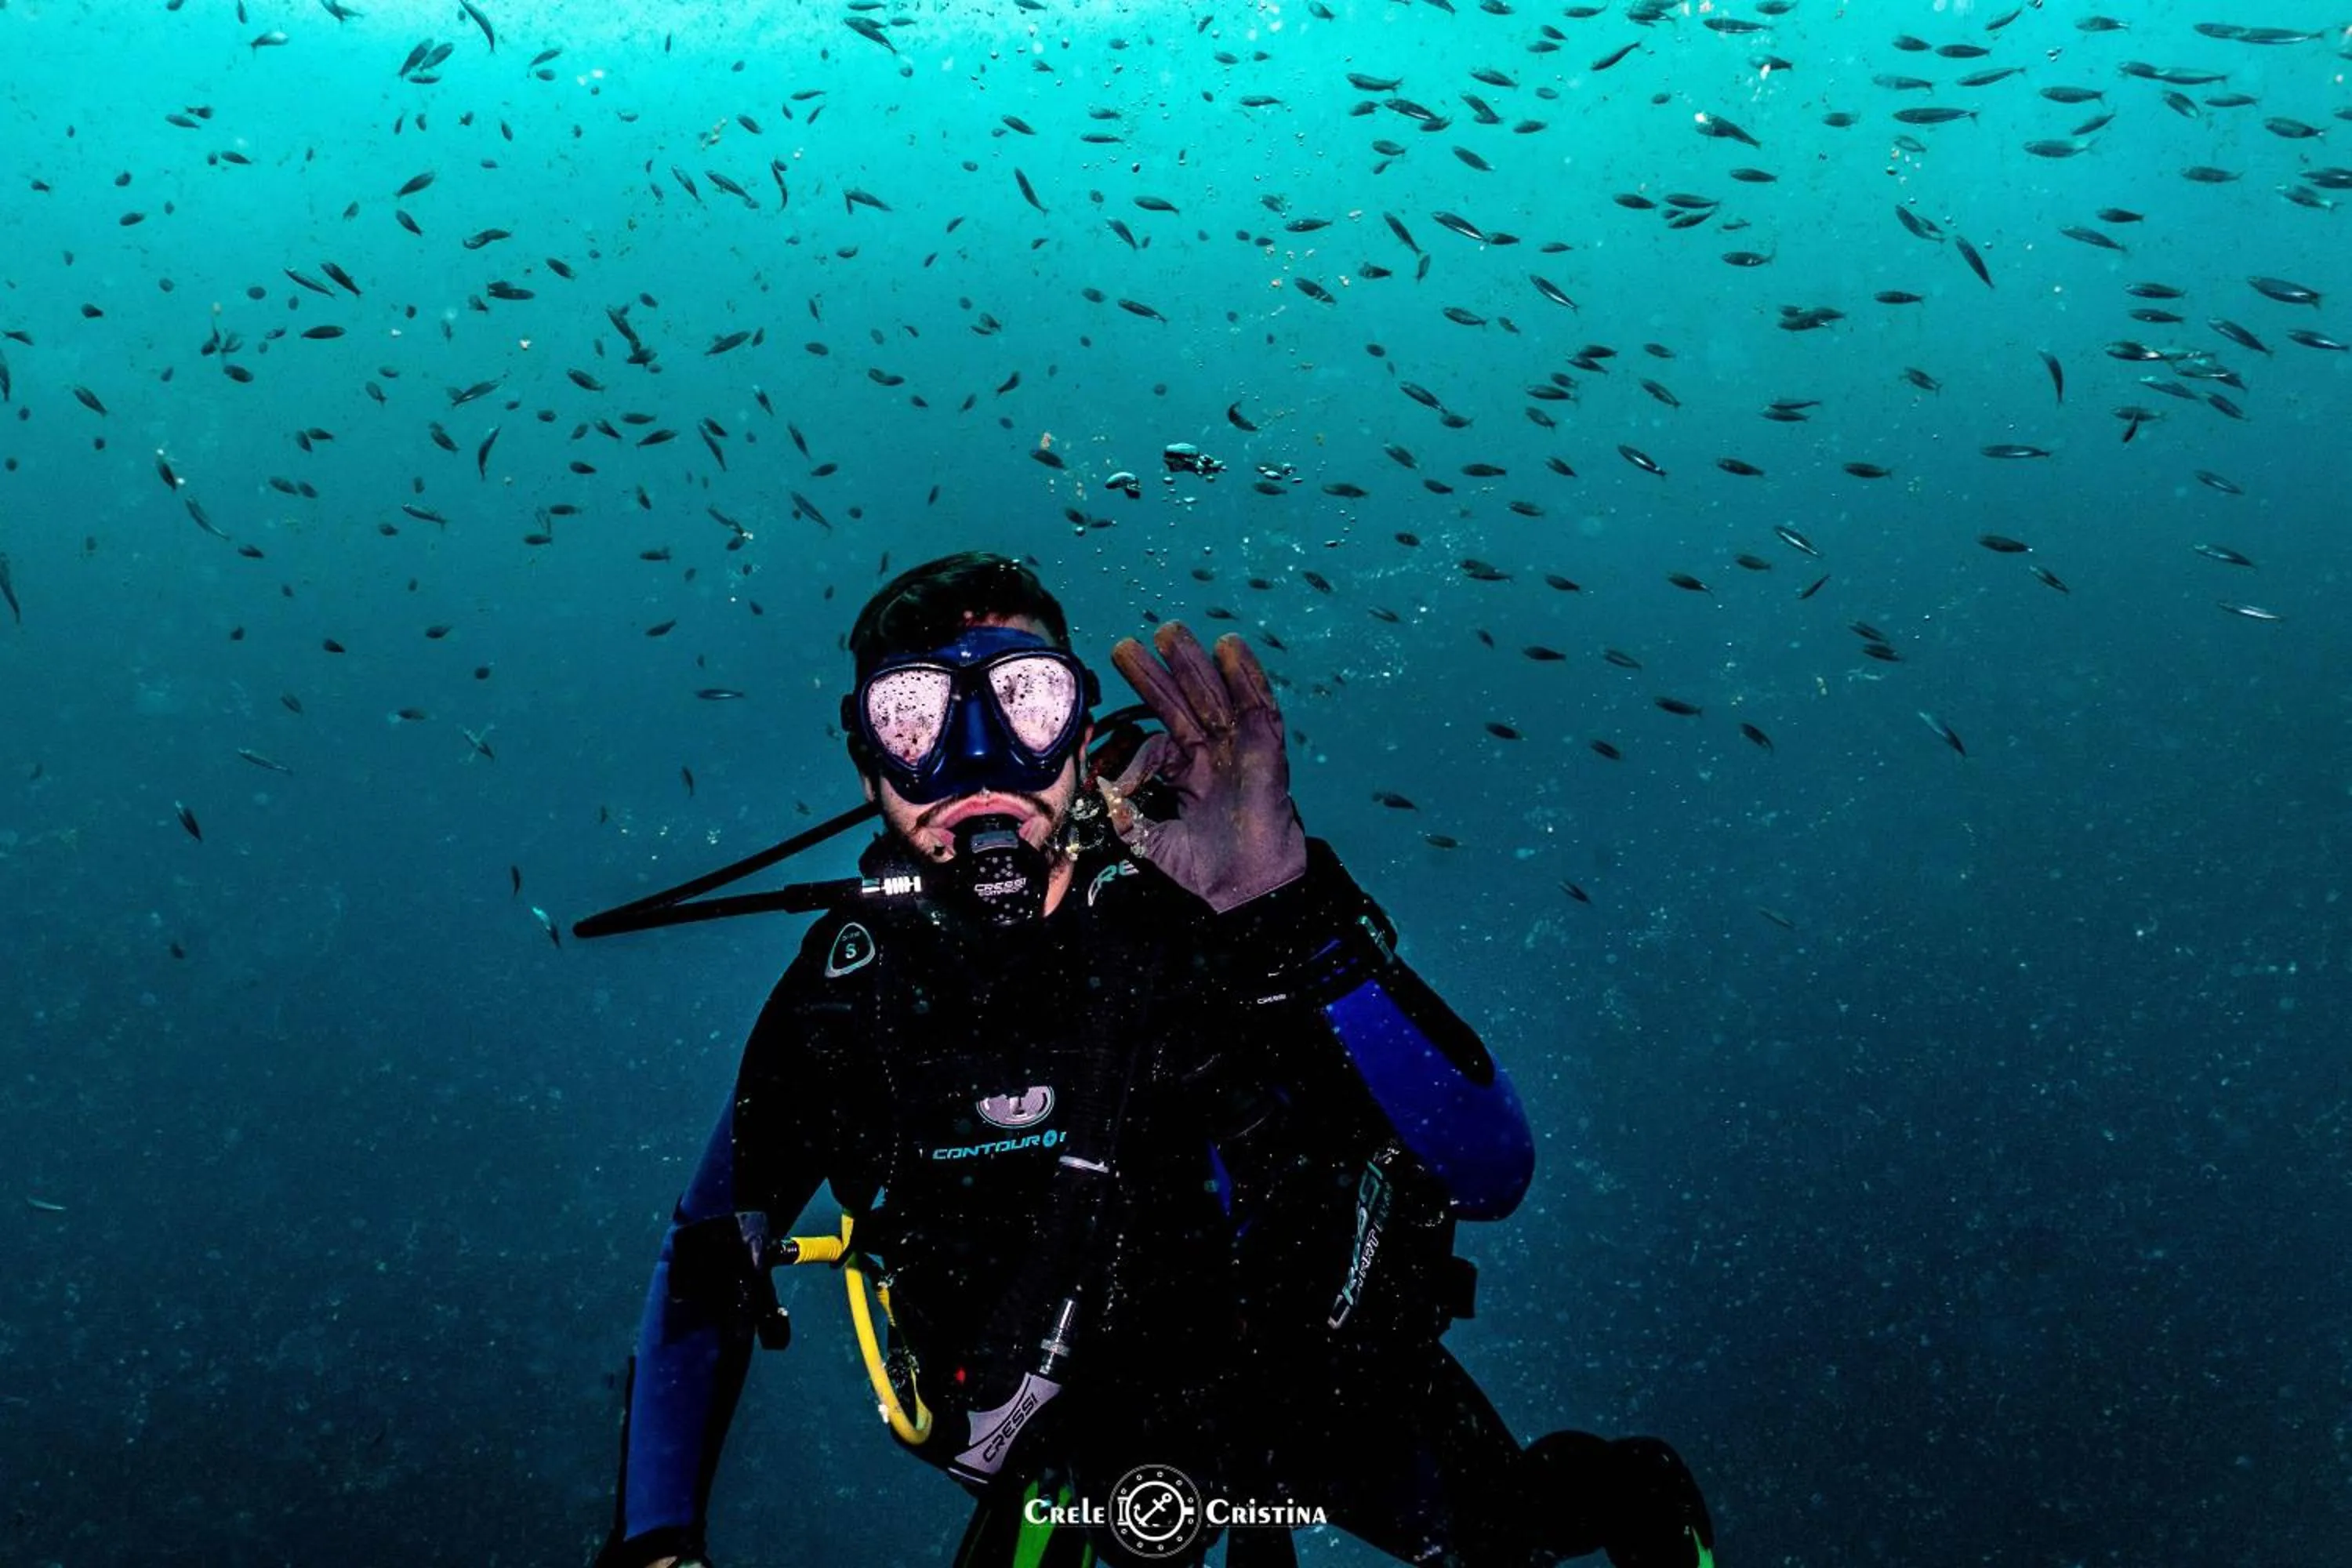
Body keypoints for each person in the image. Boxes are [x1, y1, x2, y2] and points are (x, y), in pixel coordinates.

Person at [590, 553, 1715, 1568]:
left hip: (1322, 1396)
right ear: (867, 756)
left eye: (1024, 700)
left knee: (1510, 1538)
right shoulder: (846, 1000)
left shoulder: (1220, 898)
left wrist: (1282, 914)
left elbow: (1492, 1166)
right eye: (917, 716)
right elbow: (705, 1260)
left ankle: (1624, 1498)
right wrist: (656, 1546)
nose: (978, 764)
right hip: (1067, 1456)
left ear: (1082, 732)